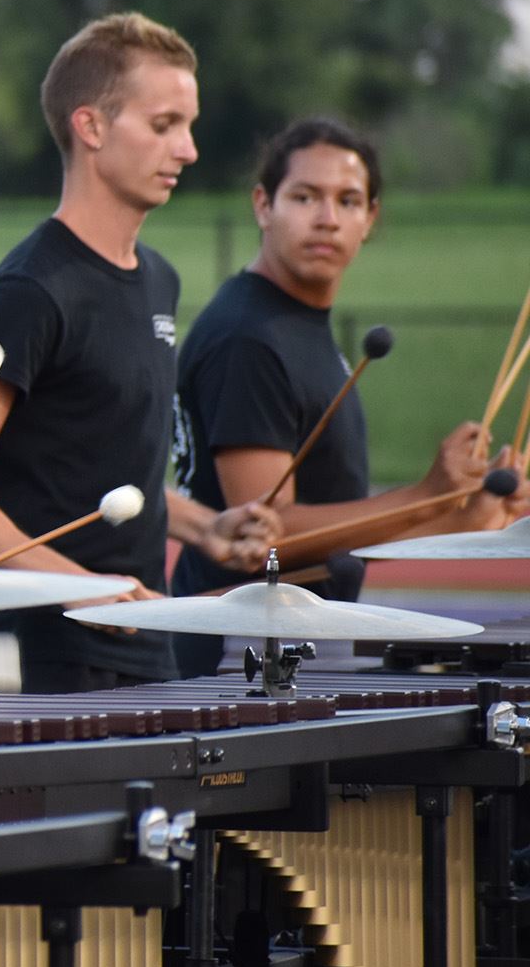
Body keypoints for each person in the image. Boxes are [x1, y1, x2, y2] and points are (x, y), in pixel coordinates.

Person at [0, 13, 280, 693]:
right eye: (165, 125)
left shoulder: (157, 277)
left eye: (188, 126)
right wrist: (85, 589)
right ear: (92, 127)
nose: (188, 150)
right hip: (46, 660)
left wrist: (204, 526)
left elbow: (87, 461)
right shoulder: (32, 289)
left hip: (145, 643)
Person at [170, 117, 526, 676]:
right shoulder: (248, 338)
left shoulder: (297, 325)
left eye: (349, 200)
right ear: (263, 205)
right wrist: (427, 494)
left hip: (300, 638)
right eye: (305, 197)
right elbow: (264, 541)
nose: (328, 219)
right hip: (240, 653)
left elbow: (341, 541)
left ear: (371, 219)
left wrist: (464, 519)